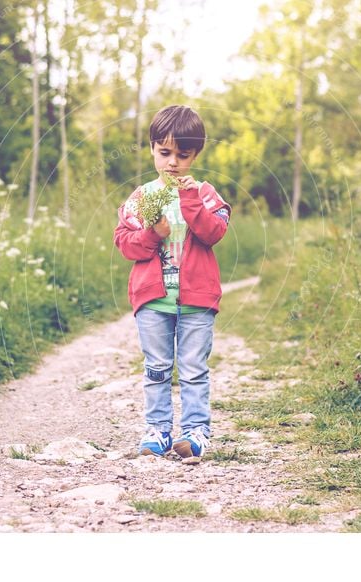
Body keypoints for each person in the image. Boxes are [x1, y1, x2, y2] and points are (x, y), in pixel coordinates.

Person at [113, 105, 231, 464]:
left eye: (183, 154)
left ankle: (195, 432)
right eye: (165, 153)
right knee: (157, 367)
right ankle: (158, 430)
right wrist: (153, 233)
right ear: (152, 148)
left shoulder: (206, 194)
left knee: (194, 368)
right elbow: (126, 244)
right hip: (153, 301)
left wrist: (190, 200)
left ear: (196, 154)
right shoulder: (141, 198)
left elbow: (214, 233)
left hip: (197, 301)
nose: (173, 163)